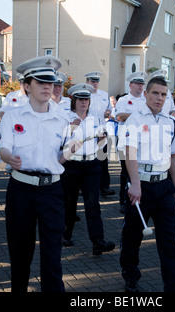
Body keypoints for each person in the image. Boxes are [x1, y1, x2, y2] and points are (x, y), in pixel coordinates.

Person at [0, 56, 72, 292]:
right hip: (21, 191)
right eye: (41, 82)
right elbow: (4, 147)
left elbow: (63, 155)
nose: (48, 87)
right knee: (20, 252)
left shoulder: (62, 119)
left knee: (52, 255)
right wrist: (9, 158)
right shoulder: (13, 116)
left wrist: (70, 152)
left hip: (52, 191)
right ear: (27, 86)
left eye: (51, 82)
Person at [118, 77, 175, 292]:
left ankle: (174, 286)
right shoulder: (135, 120)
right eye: (155, 93)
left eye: (164, 94)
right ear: (146, 94)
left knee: (169, 241)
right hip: (142, 187)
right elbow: (130, 153)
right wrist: (135, 184)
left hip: (164, 186)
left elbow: (174, 157)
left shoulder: (170, 122)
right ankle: (131, 276)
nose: (160, 98)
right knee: (133, 236)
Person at [60, 83, 115, 255]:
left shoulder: (96, 118)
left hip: (91, 165)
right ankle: (65, 235)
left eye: (86, 99)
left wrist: (102, 138)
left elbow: (100, 144)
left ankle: (98, 241)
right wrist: (70, 129)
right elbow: (58, 141)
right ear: (74, 101)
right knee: (69, 203)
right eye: (81, 99)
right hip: (71, 164)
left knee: (93, 204)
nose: (84, 102)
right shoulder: (65, 118)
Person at [115, 71, 148, 213]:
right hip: (126, 140)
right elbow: (119, 117)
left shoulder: (146, 100)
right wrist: (138, 115)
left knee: (138, 171)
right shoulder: (123, 100)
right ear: (130, 85)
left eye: (142, 84)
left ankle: (138, 197)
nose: (140, 86)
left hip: (142, 140)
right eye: (137, 83)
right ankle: (123, 200)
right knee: (125, 172)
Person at [85, 71, 115, 196]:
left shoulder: (104, 94)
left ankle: (104, 187)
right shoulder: (84, 94)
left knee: (102, 160)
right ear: (87, 82)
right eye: (92, 81)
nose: (95, 84)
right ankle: (85, 187)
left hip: (102, 131)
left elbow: (109, 108)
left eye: (97, 81)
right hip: (87, 132)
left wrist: (108, 111)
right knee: (87, 161)